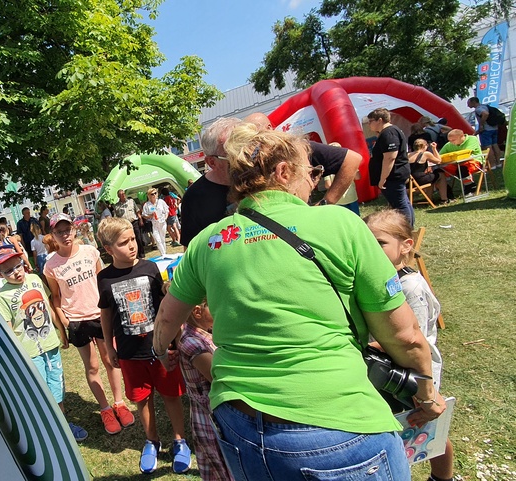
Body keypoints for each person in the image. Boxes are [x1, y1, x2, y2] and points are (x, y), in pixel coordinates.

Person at [152, 124, 445, 481]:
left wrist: (162, 350)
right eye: (312, 172)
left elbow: (166, 319)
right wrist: (427, 393)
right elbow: (405, 336)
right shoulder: (341, 223)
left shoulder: (207, 241)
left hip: (238, 427)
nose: (315, 182)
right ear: (283, 172)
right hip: (338, 424)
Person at [365, 209, 454, 481]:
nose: (372, 248)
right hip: (388, 369)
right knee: (399, 424)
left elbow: (412, 338)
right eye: (366, 242)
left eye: (380, 242)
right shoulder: (378, 279)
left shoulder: (411, 286)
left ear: (406, 245)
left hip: (415, 374)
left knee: (430, 430)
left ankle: (443, 477)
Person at [96, 217, 189, 474]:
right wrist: (110, 348)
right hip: (128, 354)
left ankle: (180, 440)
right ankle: (152, 441)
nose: (132, 246)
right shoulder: (104, 279)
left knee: (171, 395)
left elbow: (165, 308)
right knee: (142, 399)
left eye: (133, 240)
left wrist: (176, 339)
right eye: (124, 243)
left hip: (160, 349)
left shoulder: (149, 268)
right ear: (108, 249)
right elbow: (105, 313)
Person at [43, 213, 132, 435]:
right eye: (59, 232)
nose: (65, 235)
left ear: (73, 230)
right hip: (76, 320)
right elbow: (55, 296)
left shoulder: (90, 252)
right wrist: (62, 320)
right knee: (92, 367)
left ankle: (119, 403)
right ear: (53, 235)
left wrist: (111, 309)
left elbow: (103, 282)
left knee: (110, 359)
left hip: (99, 314)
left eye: (68, 230)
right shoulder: (50, 265)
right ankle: (105, 409)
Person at [0, 243, 88, 442]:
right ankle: (50, 429)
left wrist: (61, 331)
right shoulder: (2, 296)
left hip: (50, 344)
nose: (16, 272)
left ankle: (62, 423)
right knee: (41, 389)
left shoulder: (35, 279)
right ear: (0, 274)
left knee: (56, 383)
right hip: (29, 352)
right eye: (8, 270)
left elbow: (49, 306)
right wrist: (16, 354)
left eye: (17, 266)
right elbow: (7, 327)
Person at [178, 301, 233, 481]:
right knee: (224, 469)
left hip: (218, 414)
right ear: (197, 312)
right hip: (211, 420)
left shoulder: (206, 332)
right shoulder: (192, 343)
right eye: (212, 304)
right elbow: (221, 379)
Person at [180, 117, 240, 247]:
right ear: (212, 162)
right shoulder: (195, 198)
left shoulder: (259, 178)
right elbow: (191, 251)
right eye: (233, 156)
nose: (243, 160)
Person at [367, 107, 414, 227]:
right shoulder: (388, 132)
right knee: (402, 202)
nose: (369, 124)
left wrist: (383, 178)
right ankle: (409, 227)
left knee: (400, 204)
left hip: (393, 175)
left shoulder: (389, 133)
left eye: (370, 121)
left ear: (380, 120)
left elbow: (390, 157)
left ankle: (407, 228)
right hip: (394, 174)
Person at [438, 129, 482, 195]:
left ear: (461, 136)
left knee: (462, 168)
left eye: (453, 140)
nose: (451, 142)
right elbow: (439, 155)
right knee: (438, 172)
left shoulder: (472, 139)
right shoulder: (449, 144)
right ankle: (446, 194)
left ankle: (470, 188)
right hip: (457, 164)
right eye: (449, 140)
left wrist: (452, 156)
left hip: (474, 162)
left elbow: (467, 152)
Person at [408, 139, 453, 203]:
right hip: (419, 180)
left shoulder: (408, 155)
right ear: (425, 146)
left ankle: (429, 199)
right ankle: (444, 199)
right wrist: (434, 149)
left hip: (409, 181)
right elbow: (439, 161)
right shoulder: (425, 154)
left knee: (430, 176)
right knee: (440, 174)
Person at [467, 97, 502, 169]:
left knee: (488, 147)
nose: (468, 105)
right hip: (494, 128)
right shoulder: (485, 106)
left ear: (473, 102)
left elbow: (485, 114)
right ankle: (498, 163)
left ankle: (492, 165)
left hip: (486, 130)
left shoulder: (478, 109)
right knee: (495, 145)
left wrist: (481, 125)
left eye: (468, 103)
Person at [113, 189, 145, 259]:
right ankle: (134, 254)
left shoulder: (131, 201)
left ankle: (141, 254)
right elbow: (116, 217)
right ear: (119, 196)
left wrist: (141, 220)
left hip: (134, 222)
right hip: (125, 225)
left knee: (138, 238)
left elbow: (137, 211)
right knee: (129, 240)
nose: (123, 195)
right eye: (121, 194)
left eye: (124, 194)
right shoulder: (117, 206)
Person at [141, 188, 169, 256]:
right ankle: (163, 254)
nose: (154, 195)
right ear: (149, 195)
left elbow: (167, 210)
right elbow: (144, 215)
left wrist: (165, 218)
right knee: (157, 240)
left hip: (162, 222)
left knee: (162, 239)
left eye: (155, 193)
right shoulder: (147, 205)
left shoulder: (161, 201)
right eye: (152, 194)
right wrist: (150, 216)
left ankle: (164, 254)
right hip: (153, 224)